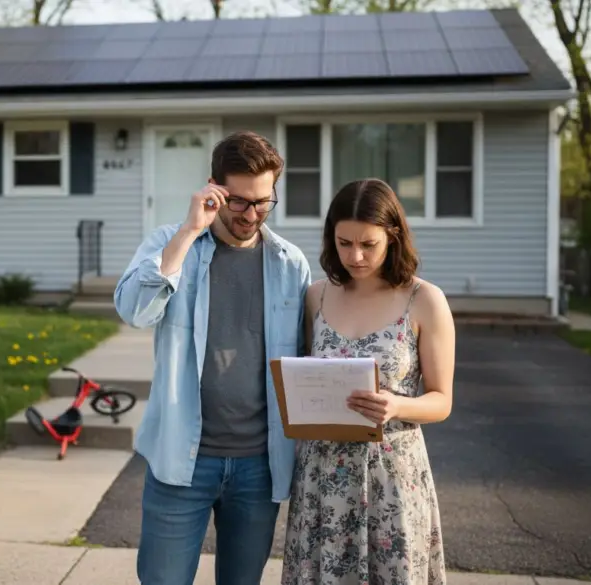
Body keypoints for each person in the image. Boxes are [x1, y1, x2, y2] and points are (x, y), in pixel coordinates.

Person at [114, 131, 312, 585]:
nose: (251, 214)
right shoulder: (170, 243)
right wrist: (188, 232)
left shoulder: (289, 263)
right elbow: (135, 312)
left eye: (263, 202)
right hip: (181, 459)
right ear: (213, 189)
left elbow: (305, 356)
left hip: (259, 465)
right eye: (239, 202)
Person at [281, 178, 456, 585]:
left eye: (368, 244)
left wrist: (397, 405)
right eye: (344, 243)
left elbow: (442, 400)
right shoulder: (317, 297)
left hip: (391, 477)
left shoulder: (425, 300)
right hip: (322, 478)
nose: (355, 256)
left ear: (392, 237)